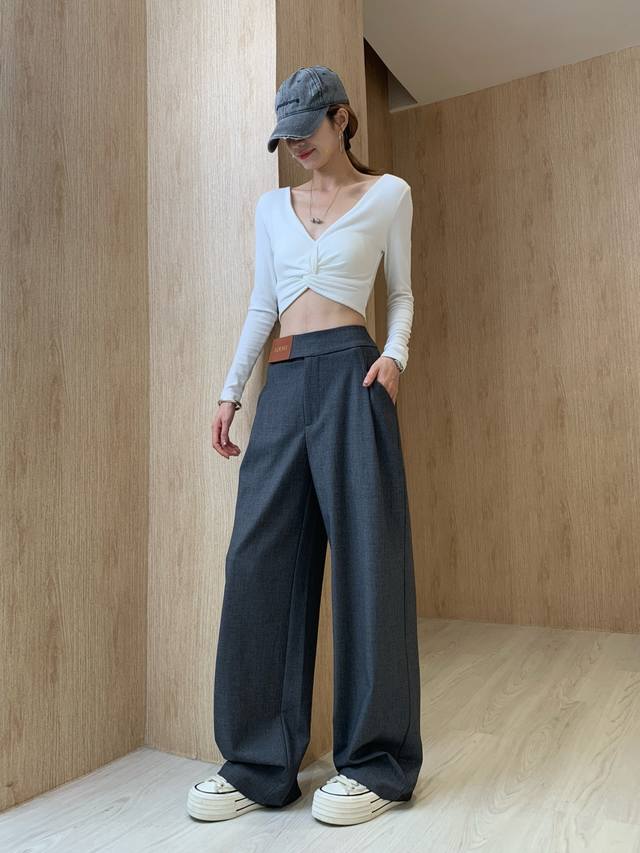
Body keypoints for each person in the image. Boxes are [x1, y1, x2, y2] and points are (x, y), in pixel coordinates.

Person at [187, 65, 423, 826]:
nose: (295, 146)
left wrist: (396, 356)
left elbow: (401, 293)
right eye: (284, 137)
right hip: (284, 383)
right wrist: (230, 391)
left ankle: (376, 765)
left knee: (369, 562)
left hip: (356, 376)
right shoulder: (271, 208)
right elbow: (264, 304)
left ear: (341, 119)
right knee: (258, 561)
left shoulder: (388, 194)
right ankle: (257, 762)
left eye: (306, 131)